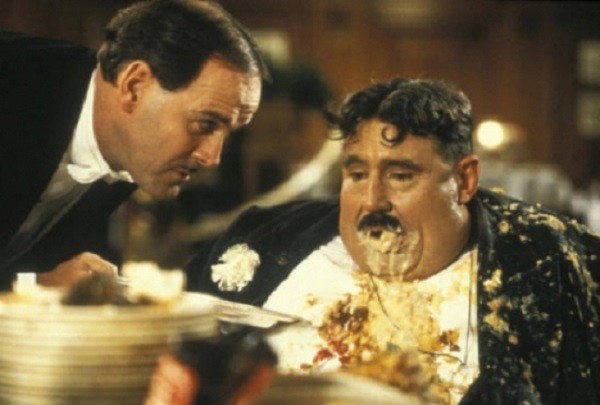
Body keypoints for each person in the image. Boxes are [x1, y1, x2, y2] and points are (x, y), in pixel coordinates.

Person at [186, 78, 600, 404]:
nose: (372, 201)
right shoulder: (268, 239)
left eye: (400, 176)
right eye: (357, 175)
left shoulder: (544, 265)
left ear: (464, 180)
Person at [0, 0, 268, 290]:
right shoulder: (12, 81)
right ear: (134, 86)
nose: (212, 157)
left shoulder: (128, 146)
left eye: (229, 133)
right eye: (205, 124)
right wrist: (36, 286)